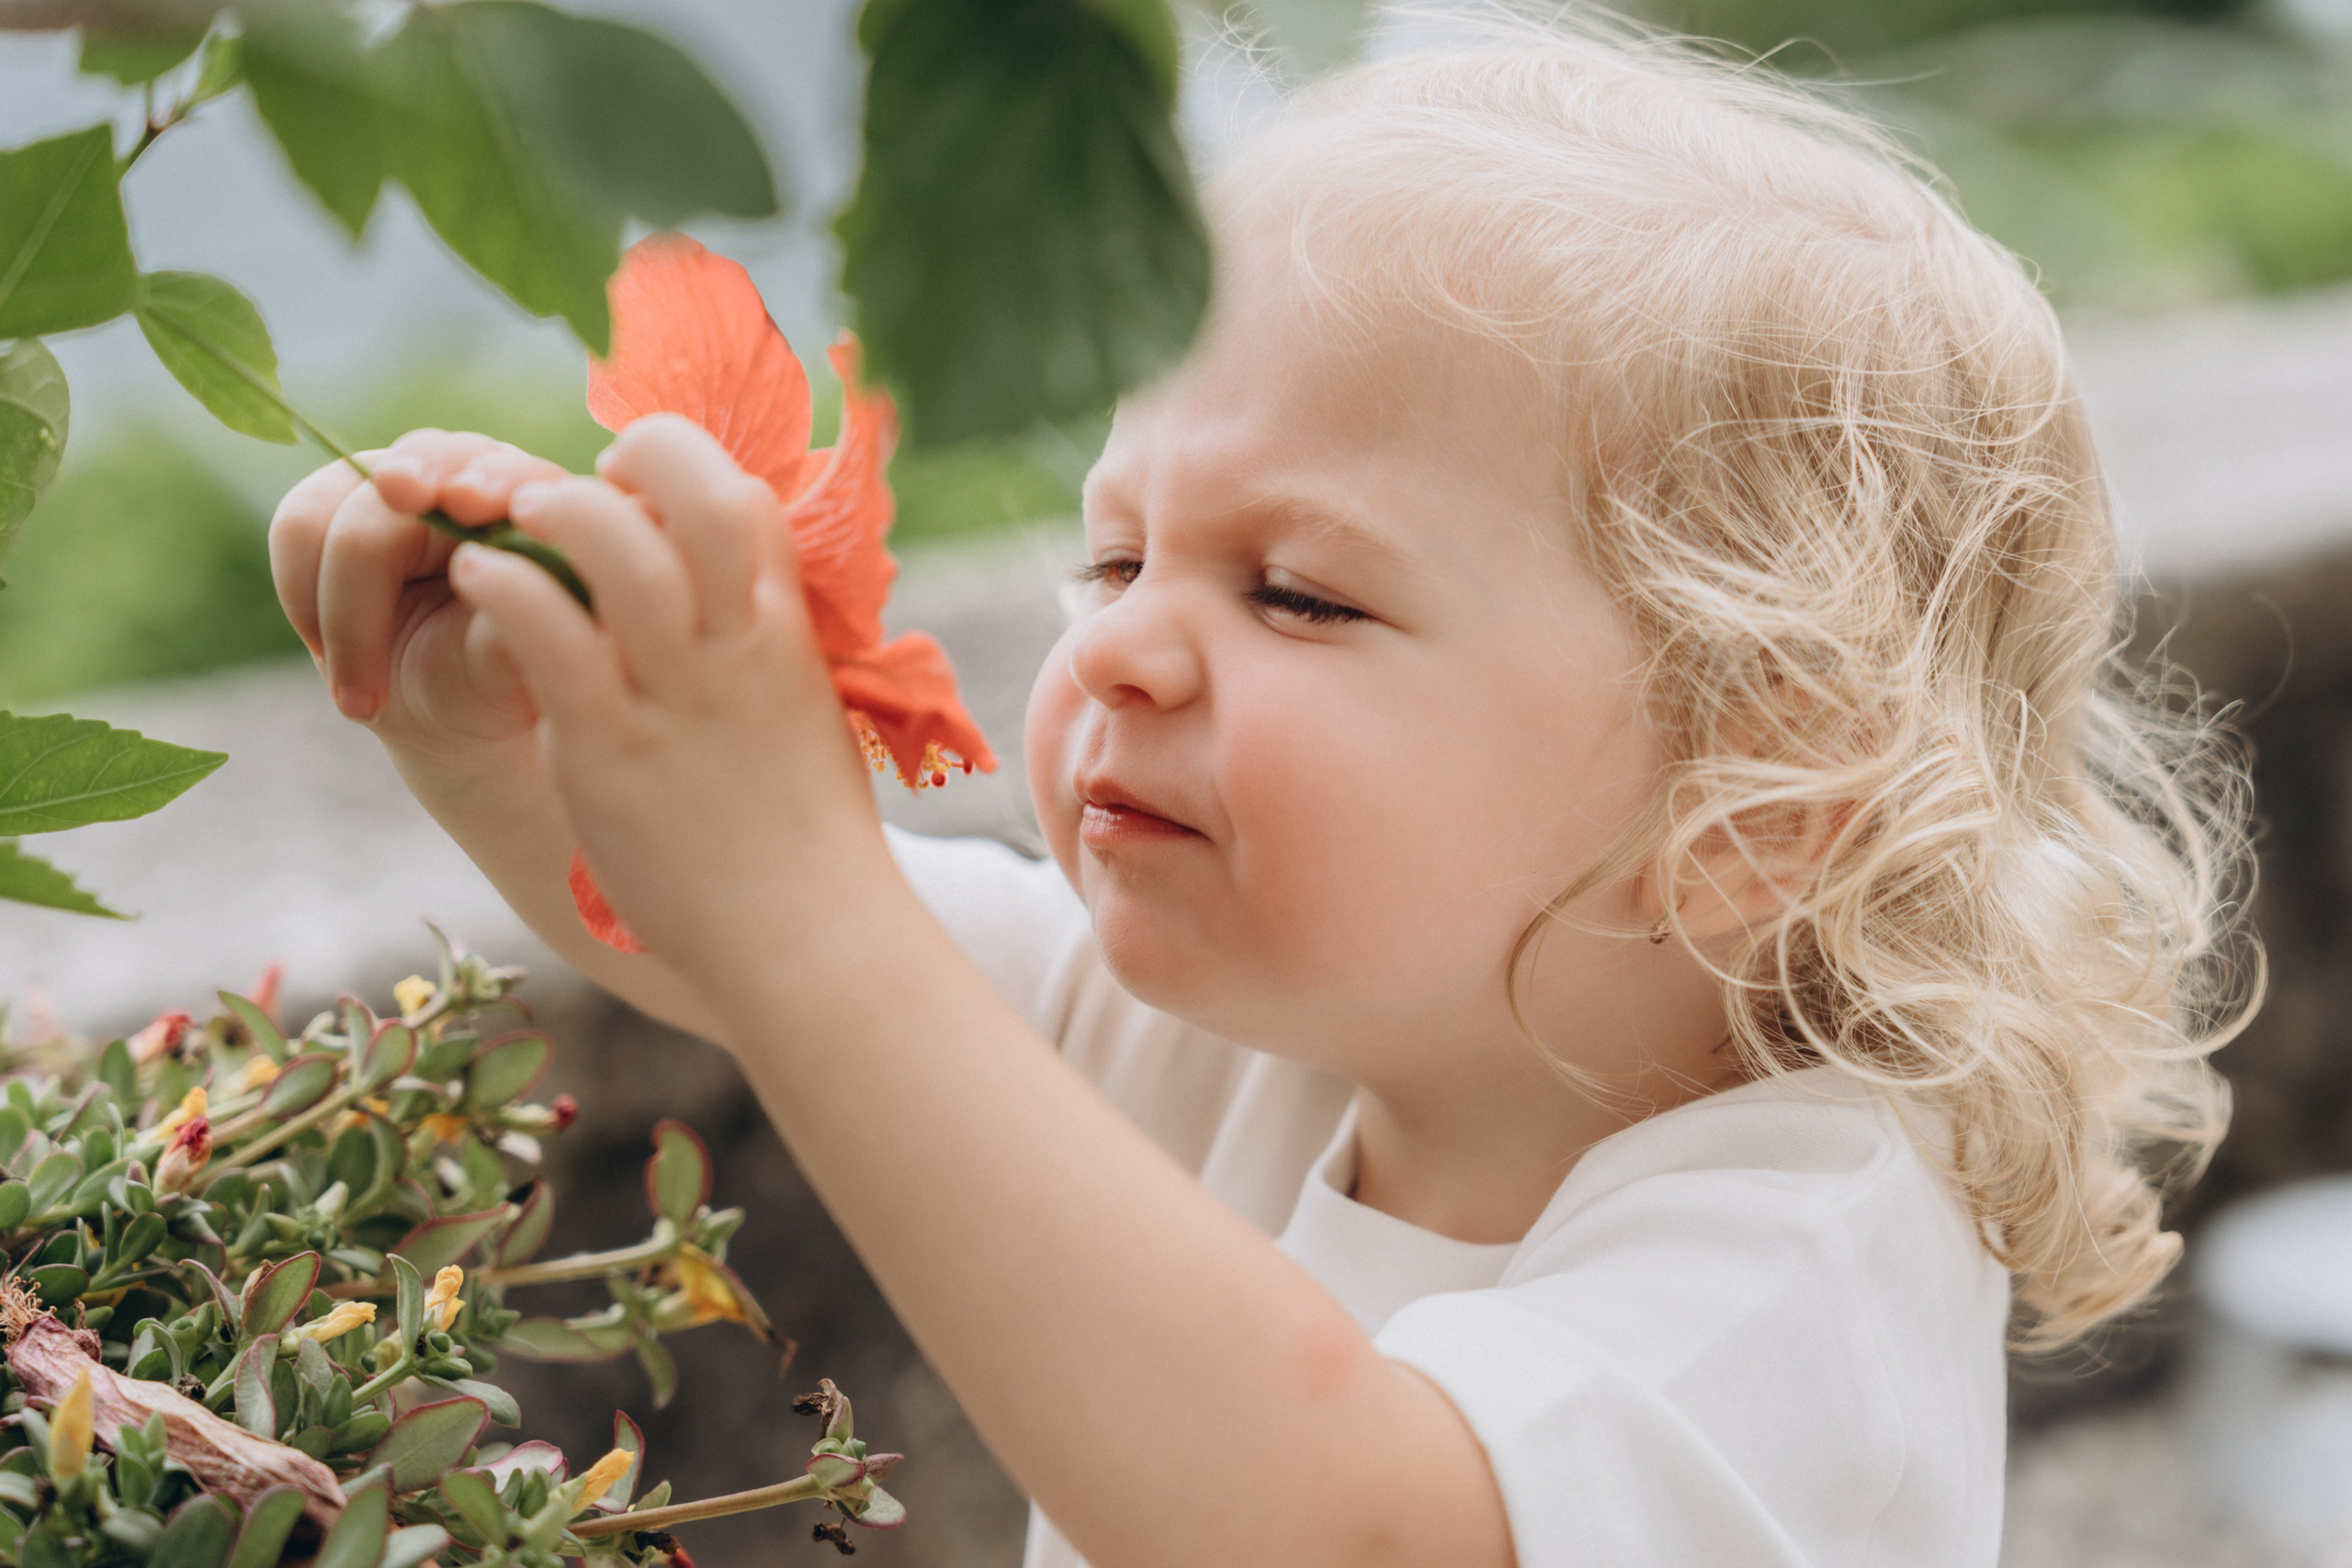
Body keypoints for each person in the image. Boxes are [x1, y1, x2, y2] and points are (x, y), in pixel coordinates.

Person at [267, 17, 2256, 1567]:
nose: (1122, 648)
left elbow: (1335, 1518)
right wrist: (494, 732)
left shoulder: (1797, 1259)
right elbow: (731, 936)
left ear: (1753, 797)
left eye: (1295, 588)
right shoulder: (1238, 1016)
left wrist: (797, 899)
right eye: (1112, 556)